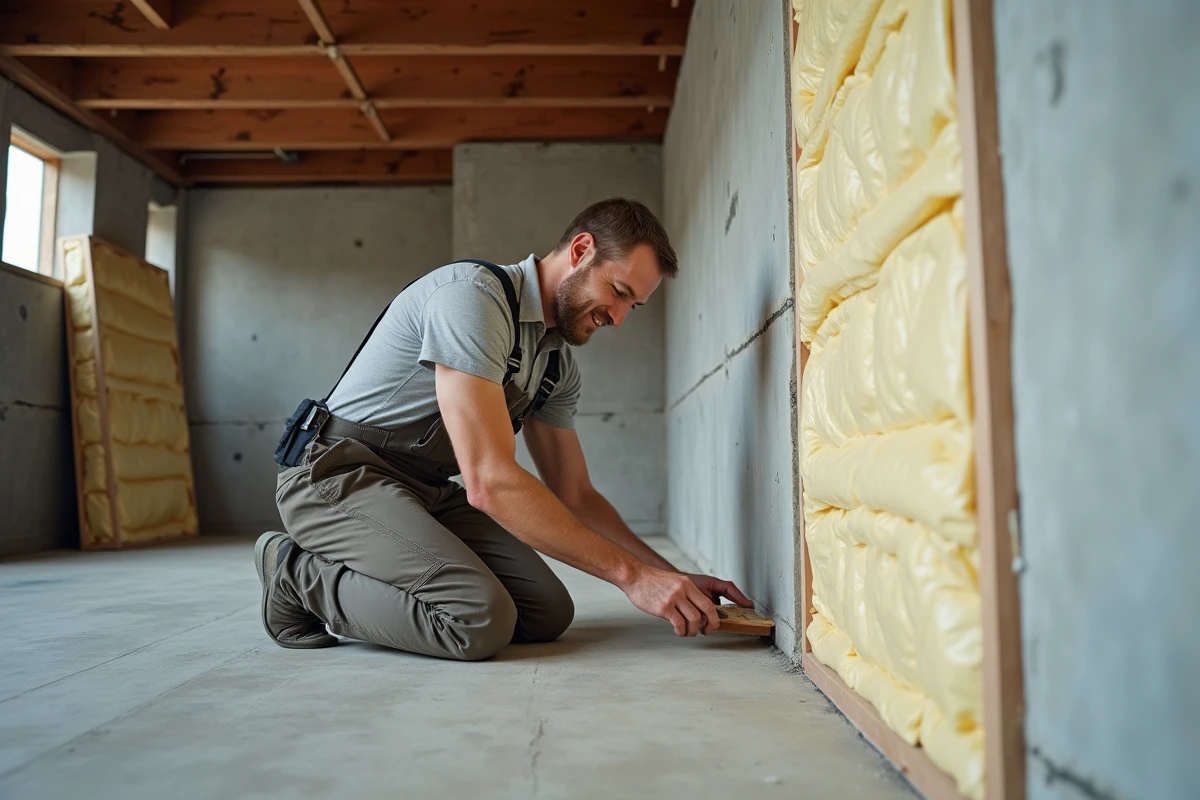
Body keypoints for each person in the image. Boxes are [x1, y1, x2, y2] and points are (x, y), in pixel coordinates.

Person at [257, 198, 752, 661]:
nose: (619, 318)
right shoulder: (471, 300)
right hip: (335, 476)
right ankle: (293, 574)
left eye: (633, 306)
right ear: (581, 251)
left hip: (421, 491)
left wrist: (665, 575)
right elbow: (489, 481)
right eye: (618, 292)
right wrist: (631, 577)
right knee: (476, 619)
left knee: (546, 614)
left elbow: (576, 495)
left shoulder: (555, 365)